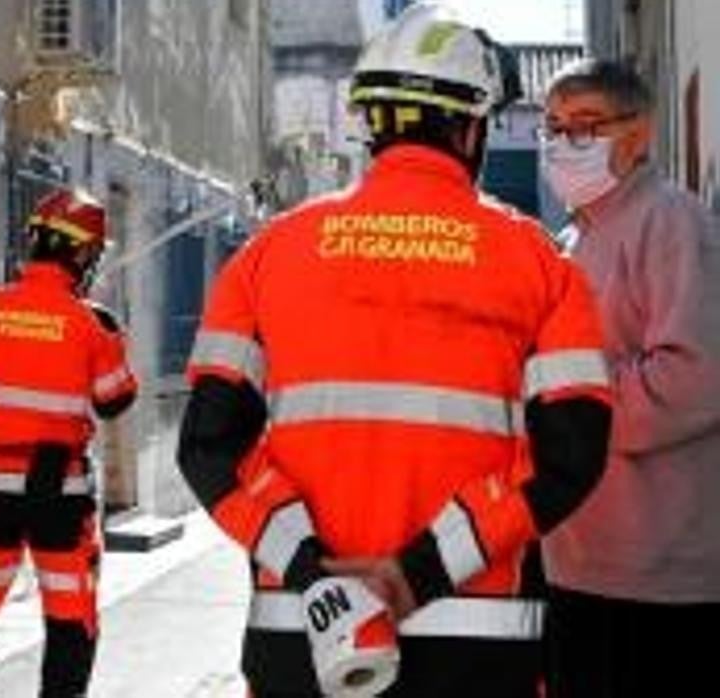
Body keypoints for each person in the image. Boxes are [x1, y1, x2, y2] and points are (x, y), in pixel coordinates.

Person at [176, 5, 614, 697]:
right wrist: (414, 575)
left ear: (370, 121)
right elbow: (571, 455)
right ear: (472, 127)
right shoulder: (541, 264)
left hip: (302, 638)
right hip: (479, 643)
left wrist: (314, 576)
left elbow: (206, 449)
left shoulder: (267, 254)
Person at [538, 59, 720, 698]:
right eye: (553, 128)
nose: (564, 146)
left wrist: (567, 408)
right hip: (578, 561)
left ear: (638, 134)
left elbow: (696, 378)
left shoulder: (673, 222)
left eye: (585, 128)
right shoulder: (570, 241)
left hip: (656, 573)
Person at [0, 188, 138, 698]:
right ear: (82, 254)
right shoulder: (91, 323)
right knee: (68, 625)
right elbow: (115, 401)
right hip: (60, 496)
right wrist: (110, 337)